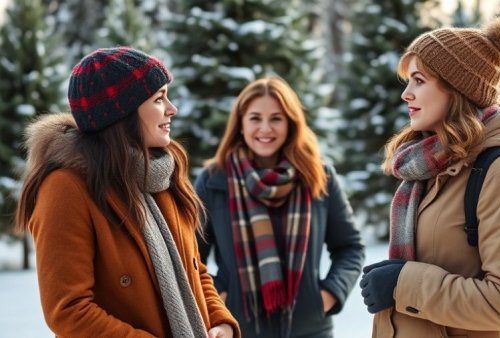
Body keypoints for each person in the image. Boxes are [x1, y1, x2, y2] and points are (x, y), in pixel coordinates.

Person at [15, 47, 240, 338]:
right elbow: (69, 311)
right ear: (122, 113)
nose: (172, 109)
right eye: (159, 99)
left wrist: (219, 321)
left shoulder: (162, 176)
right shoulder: (66, 189)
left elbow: (194, 271)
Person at [359, 17, 500, 337]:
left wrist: (403, 284)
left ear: (456, 88)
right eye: (407, 81)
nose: (406, 94)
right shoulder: (433, 164)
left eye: (419, 80)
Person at [194, 76, 365, 338]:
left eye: (276, 118)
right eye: (255, 118)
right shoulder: (214, 180)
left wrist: (328, 295)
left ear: (290, 123)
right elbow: (191, 257)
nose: (265, 128)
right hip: (238, 329)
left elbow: (349, 248)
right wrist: (219, 297)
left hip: (309, 330)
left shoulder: (318, 176)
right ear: (240, 124)